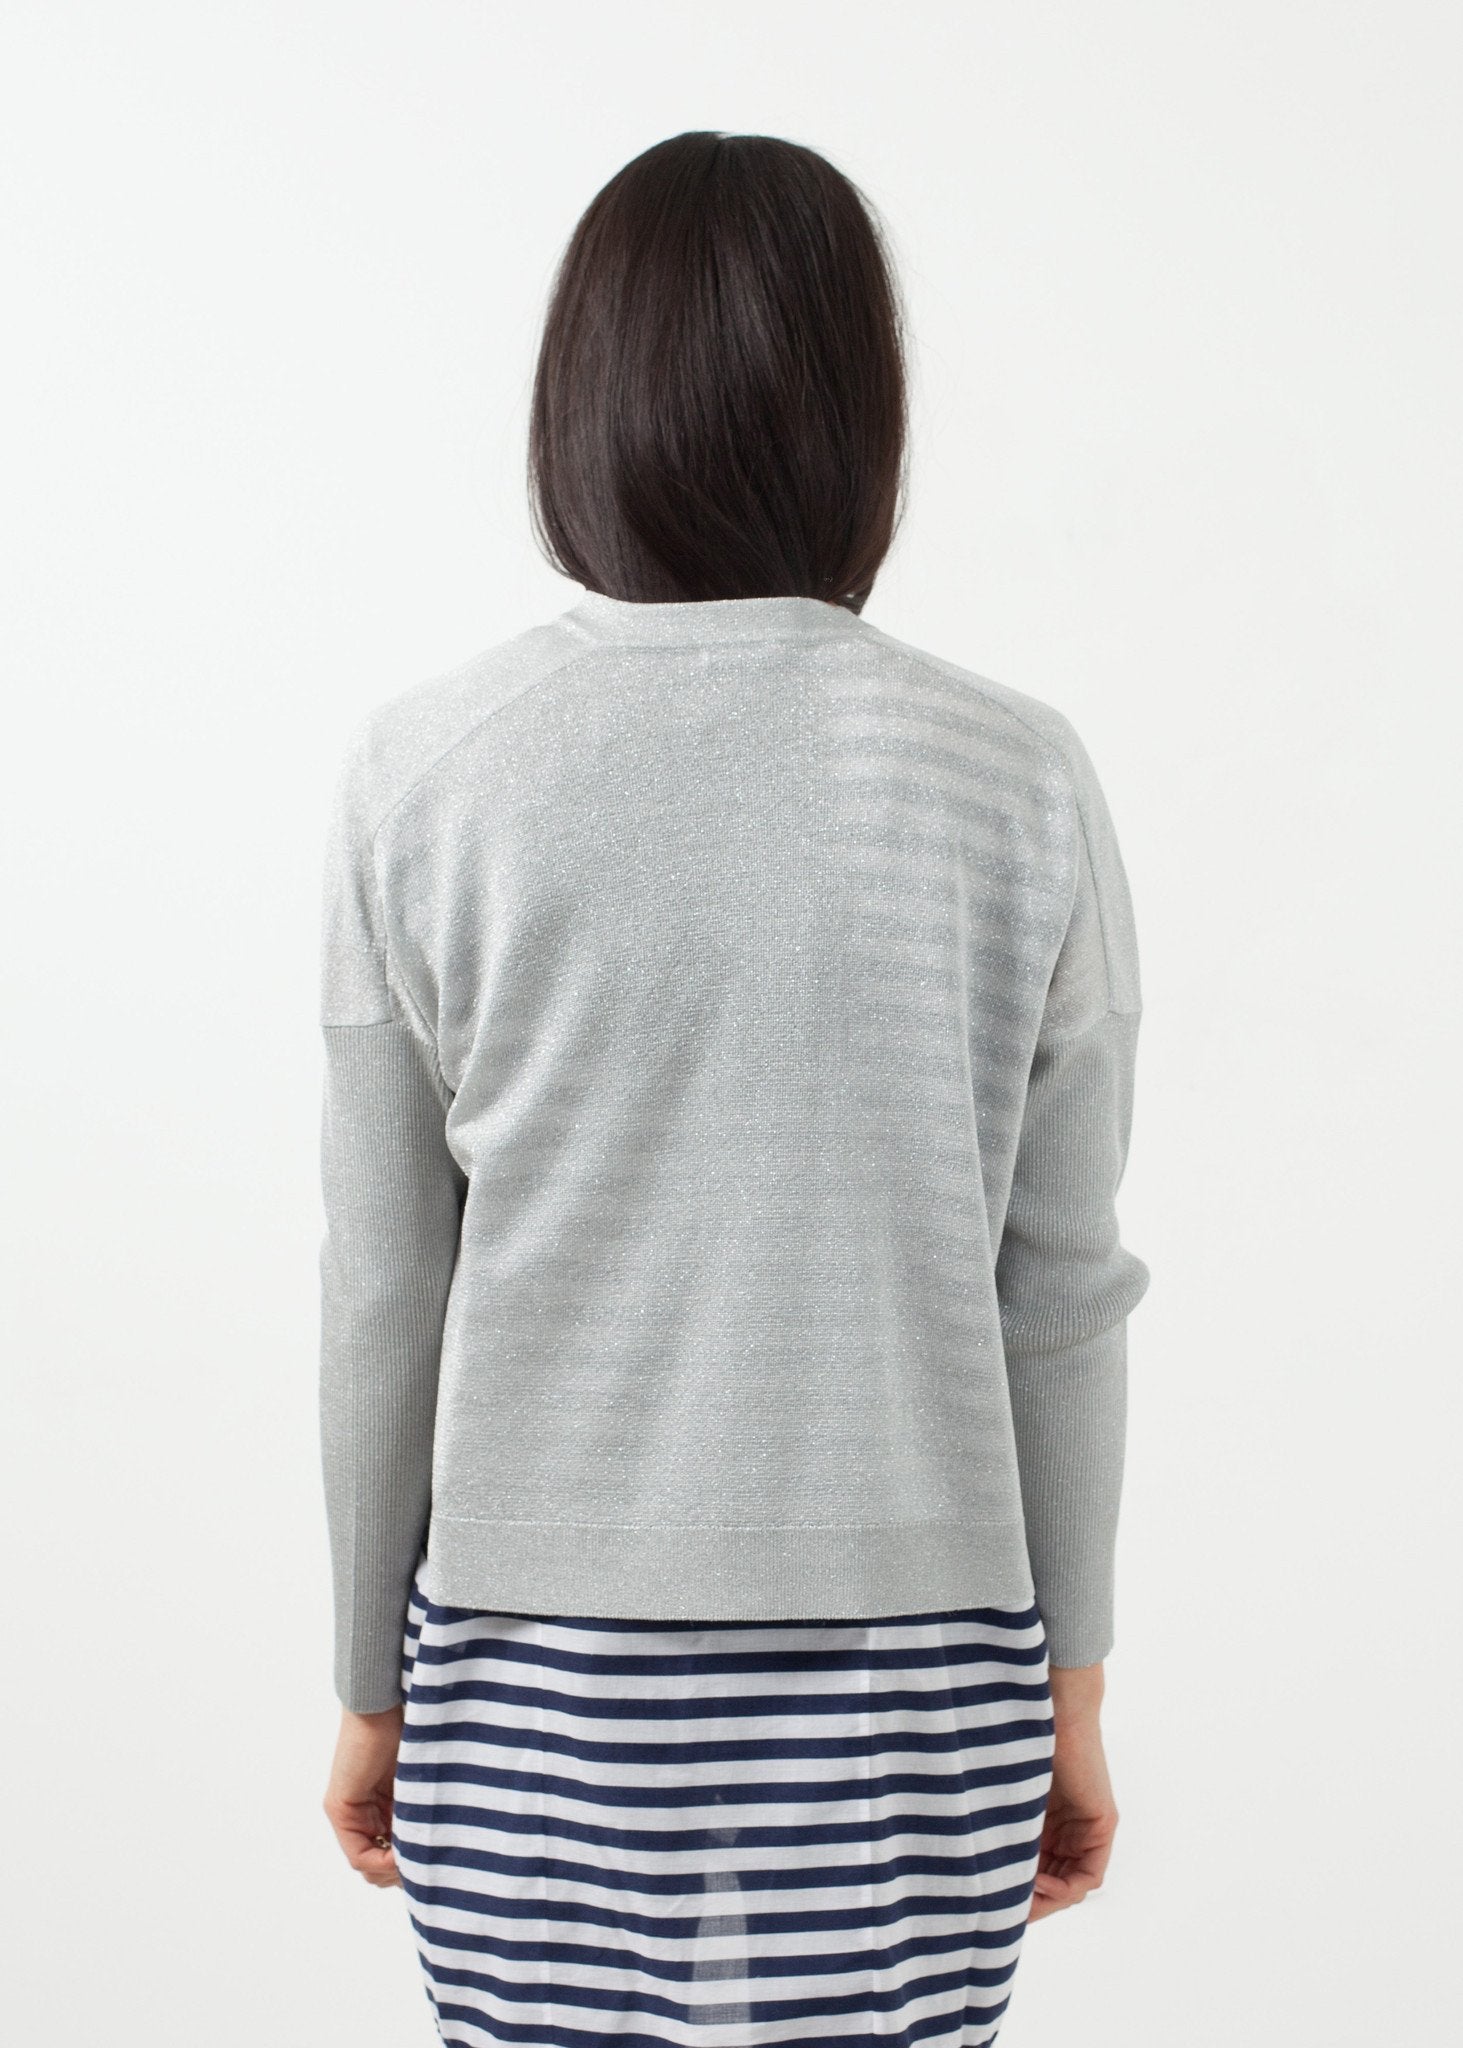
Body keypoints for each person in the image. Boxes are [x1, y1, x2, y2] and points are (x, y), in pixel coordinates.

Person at [317, 129, 1150, 2045]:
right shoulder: (1015, 778)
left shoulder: (425, 775)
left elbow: (384, 1292)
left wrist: (370, 1678)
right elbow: (1061, 1295)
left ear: (580, 401)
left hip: (532, 1672)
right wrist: (1076, 1690)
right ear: (863, 417)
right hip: (923, 1669)